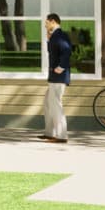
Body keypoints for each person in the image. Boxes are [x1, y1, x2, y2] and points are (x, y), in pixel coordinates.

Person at [39, 12, 70, 143]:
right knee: (48, 103)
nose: (45, 25)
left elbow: (67, 50)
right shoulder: (54, 36)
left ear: (53, 21)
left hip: (59, 77)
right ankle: (50, 132)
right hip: (54, 77)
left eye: (46, 22)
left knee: (56, 104)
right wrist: (48, 39)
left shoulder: (60, 35)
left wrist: (61, 67)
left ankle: (62, 136)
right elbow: (52, 52)